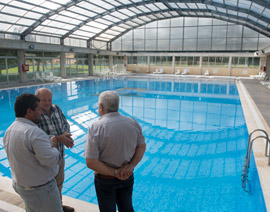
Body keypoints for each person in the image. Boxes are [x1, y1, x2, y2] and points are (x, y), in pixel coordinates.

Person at [85, 90, 146, 212]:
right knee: (127, 208)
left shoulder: (96, 127)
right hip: (127, 176)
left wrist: (115, 172)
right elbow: (142, 146)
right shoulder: (133, 123)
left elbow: (91, 161)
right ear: (117, 105)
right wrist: (130, 166)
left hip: (106, 180)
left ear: (101, 107)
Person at [3, 93, 63, 212]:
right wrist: (54, 146)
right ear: (29, 111)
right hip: (40, 190)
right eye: (39, 109)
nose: (41, 112)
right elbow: (50, 160)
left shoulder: (10, 130)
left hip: (21, 185)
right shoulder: (34, 133)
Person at [35, 88, 75, 212]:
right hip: (45, 160)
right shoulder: (35, 114)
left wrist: (65, 133)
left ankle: (59, 206)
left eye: (49, 100)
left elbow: (65, 123)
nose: (47, 103)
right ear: (37, 100)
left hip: (59, 155)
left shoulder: (56, 108)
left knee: (58, 184)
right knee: (46, 188)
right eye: (44, 100)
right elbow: (36, 138)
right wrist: (59, 138)